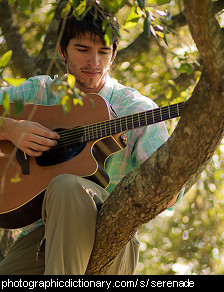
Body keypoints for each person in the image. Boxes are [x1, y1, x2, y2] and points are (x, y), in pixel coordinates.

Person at [0, 4, 183, 275]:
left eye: (104, 52)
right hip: (40, 237)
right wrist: (10, 128)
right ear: (63, 51)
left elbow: (168, 196)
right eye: (83, 50)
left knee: (66, 187)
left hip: (111, 236)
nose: (94, 62)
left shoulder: (138, 110)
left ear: (114, 55)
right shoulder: (40, 93)